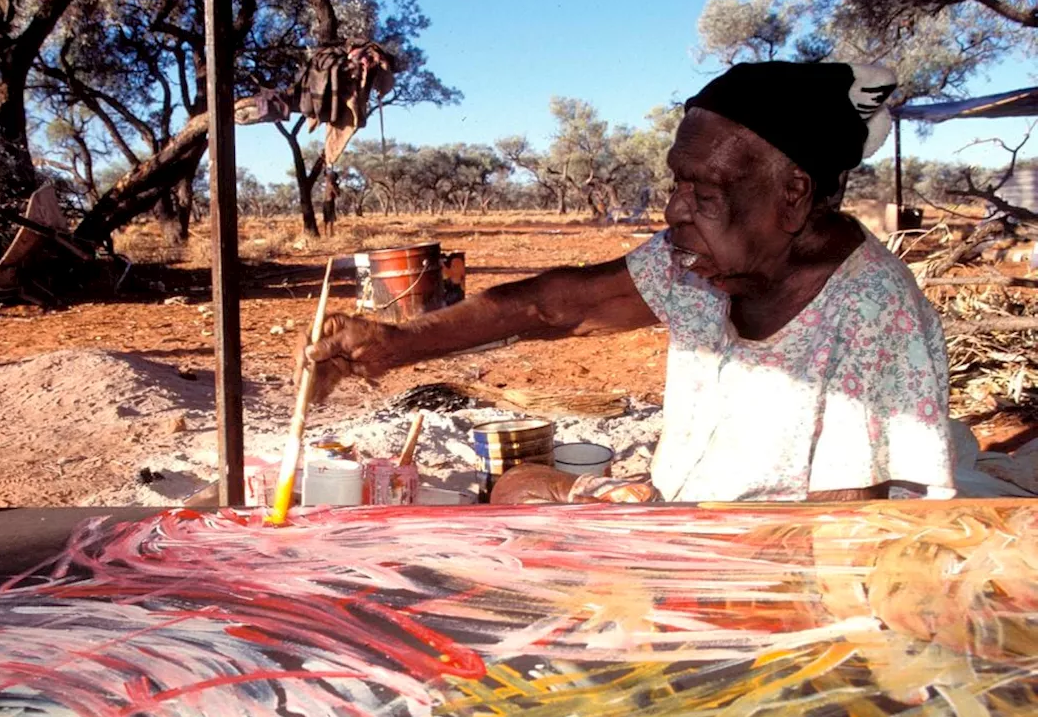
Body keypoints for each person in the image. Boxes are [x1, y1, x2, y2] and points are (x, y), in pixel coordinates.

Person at [299, 62, 955, 504]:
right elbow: (558, 307)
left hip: (756, 573)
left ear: (792, 196)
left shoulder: (873, 315)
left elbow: (844, 543)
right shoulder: (698, 259)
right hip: (673, 517)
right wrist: (397, 344)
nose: (674, 210)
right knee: (519, 487)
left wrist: (660, 541)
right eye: (678, 181)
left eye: (706, 191)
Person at [322, 169, 340, 238]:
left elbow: (324, 174)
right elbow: (337, 194)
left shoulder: (327, 182)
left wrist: (325, 167)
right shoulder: (332, 185)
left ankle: (325, 233)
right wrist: (337, 189)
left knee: (326, 219)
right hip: (330, 202)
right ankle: (330, 233)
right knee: (331, 219)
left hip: (324, 202)